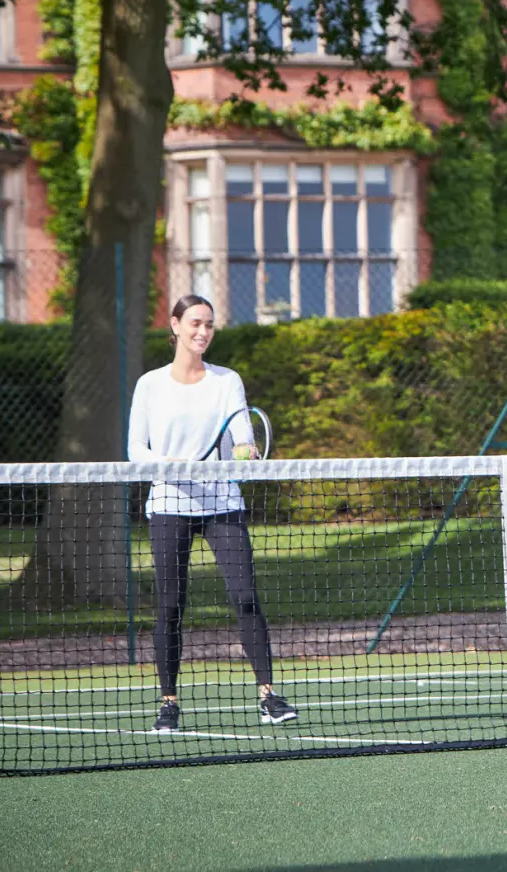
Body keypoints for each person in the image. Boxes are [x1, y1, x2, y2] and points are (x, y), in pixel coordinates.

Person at [129, 294, 297, 733]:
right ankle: (168, 702)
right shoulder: (150, 384)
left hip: (222, 503)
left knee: (245, 597)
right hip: (169, 504)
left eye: (209, 325)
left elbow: (240, 435)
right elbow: (134, 448)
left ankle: (268, 696)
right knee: (170, 605)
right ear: (175, 325)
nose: (202, 332)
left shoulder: (227, 381)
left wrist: (245, 451)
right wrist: (167, 466)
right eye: (195, 324)